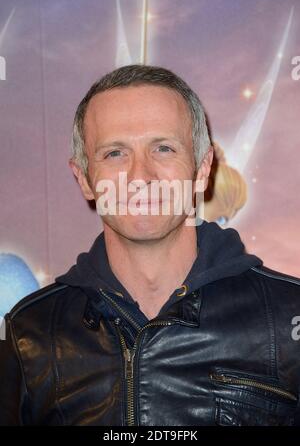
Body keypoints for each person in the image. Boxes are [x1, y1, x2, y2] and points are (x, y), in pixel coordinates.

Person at [0, 64, 299, 426]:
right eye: (115, 153)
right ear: (84, 179)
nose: (140, 176)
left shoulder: (288, 319)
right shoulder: (28, 332)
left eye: (163, 148)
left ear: (202, 170)